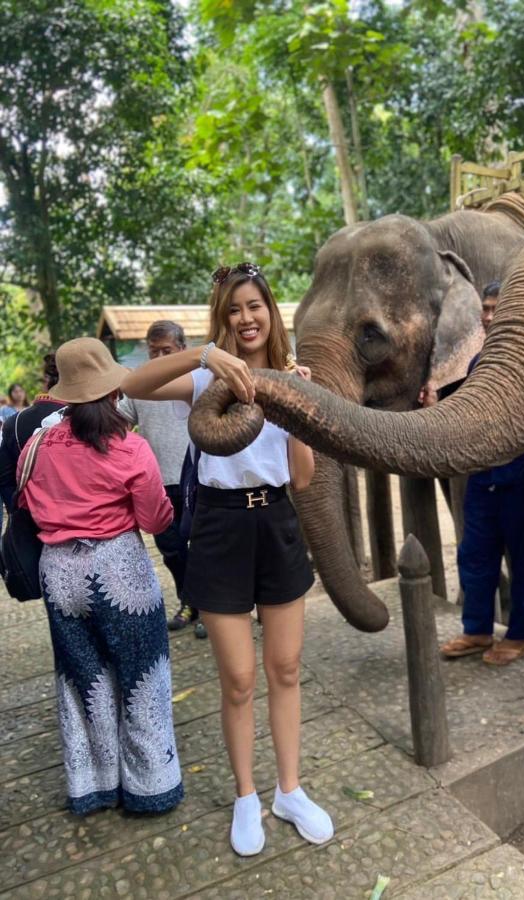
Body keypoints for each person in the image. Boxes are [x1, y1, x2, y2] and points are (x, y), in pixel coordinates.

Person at [121, 261, 333, 856]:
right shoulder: (207, 381)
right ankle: (247, 796)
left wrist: (299, 407)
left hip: (278, 523)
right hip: (218, 526)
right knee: (238, 679)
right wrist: (202, 358)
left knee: (285, 669)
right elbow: (128, 384)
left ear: (271, 313)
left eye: (255, 306)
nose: (246, 318)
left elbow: (303, 476)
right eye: (235, 308)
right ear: (223, 317)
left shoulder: (294, 378)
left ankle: (289, 790)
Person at [18, 337, 183, 815]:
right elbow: (155, 519)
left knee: (82, 679)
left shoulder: (36, 444)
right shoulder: (129, 447)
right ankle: (150, 786)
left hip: (58, 575)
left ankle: (94, 784)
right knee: (141, 673)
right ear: (113, 389)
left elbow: (27, 505)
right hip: (118, 569)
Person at [437, 281, 524, 665]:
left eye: (496, 309)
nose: (489, 316)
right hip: (482, 478)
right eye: (485, 310)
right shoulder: (478, 363)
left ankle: (521, 634)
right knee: (474, 555)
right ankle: (477, 629)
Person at [118, 321, 206, 638]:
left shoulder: (197, 380)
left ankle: (208, 609)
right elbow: (119, 425)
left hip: (196, 480)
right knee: (171, 549)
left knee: (202, 548)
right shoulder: (142, 385)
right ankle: (188, 602)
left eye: (166, 351)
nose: (158, 357)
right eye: (153, 351)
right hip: (155, 484)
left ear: (182, 349)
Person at [0, 353, 66, 510]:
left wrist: (18, 511)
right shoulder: (89, 417)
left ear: (46, 381)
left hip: (30, 517)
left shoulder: (14, 422)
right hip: (80, 521)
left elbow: (4, 479)